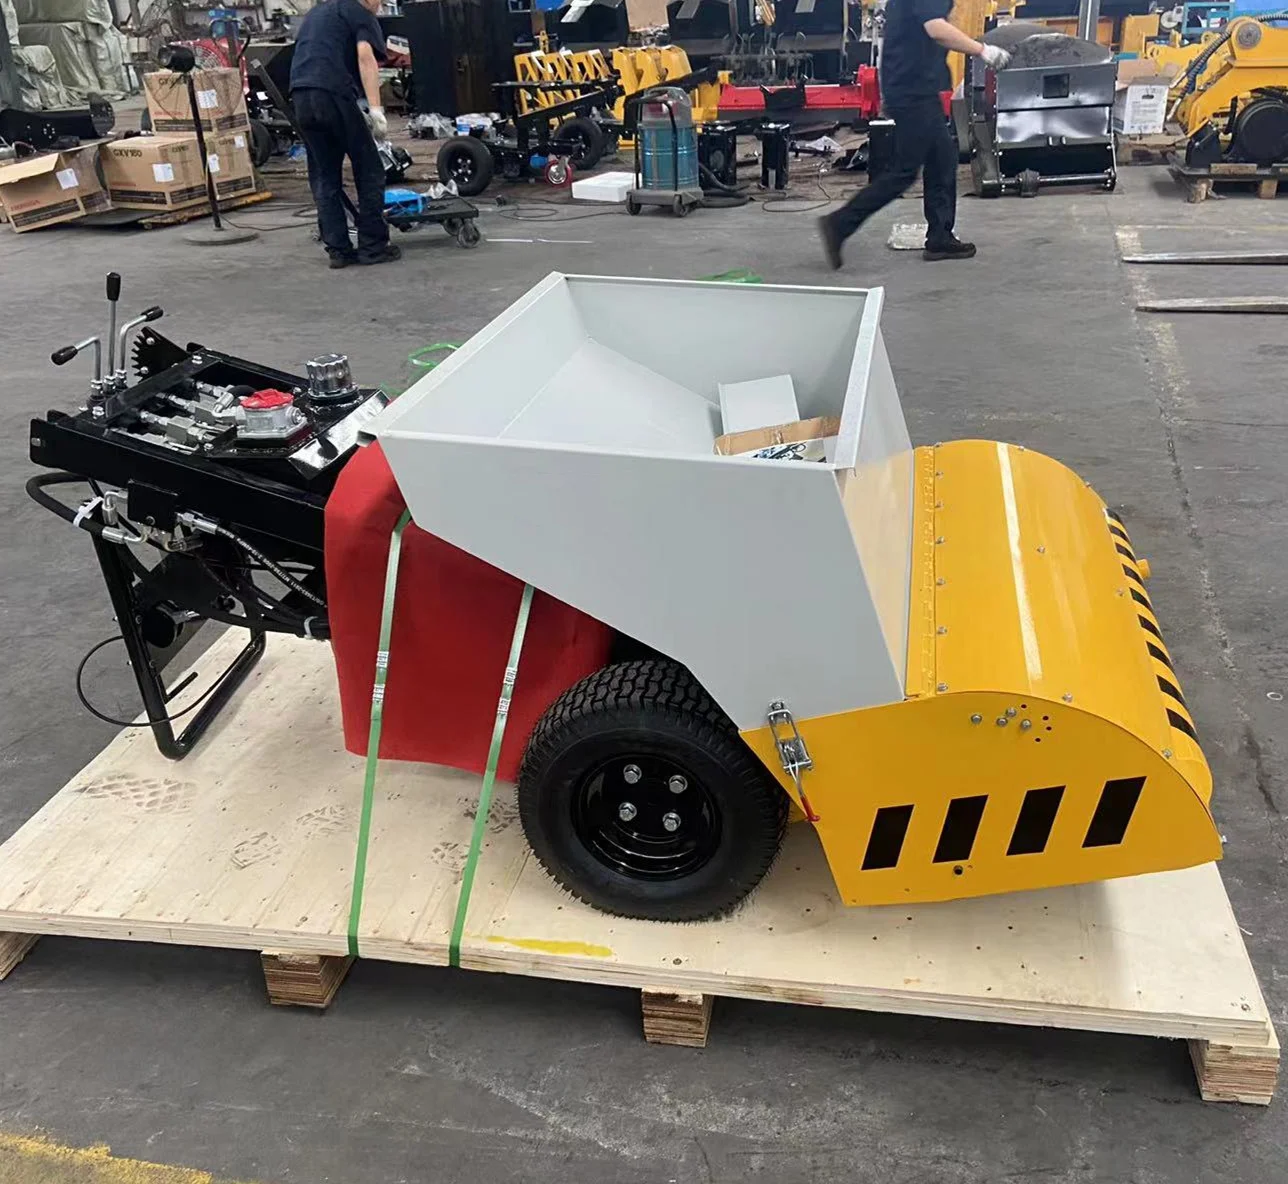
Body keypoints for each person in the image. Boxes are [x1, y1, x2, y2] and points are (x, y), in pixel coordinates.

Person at [818, 2, 1011, 267]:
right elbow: (936, 29)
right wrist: (983, 50)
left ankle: (940, 237)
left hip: (913, 87)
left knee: (942, 158)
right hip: (912, 91)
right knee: (905, 172)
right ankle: (840, 223)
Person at [289, 0, 400, 268]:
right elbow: (365, 57)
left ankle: (338, 251)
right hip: (332, 92)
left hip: (301, 95)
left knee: (324, 175)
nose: (380, 6)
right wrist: (376, 110)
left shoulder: (317, 13)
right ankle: (373, 247)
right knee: (369, 169)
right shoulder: (359, 13)